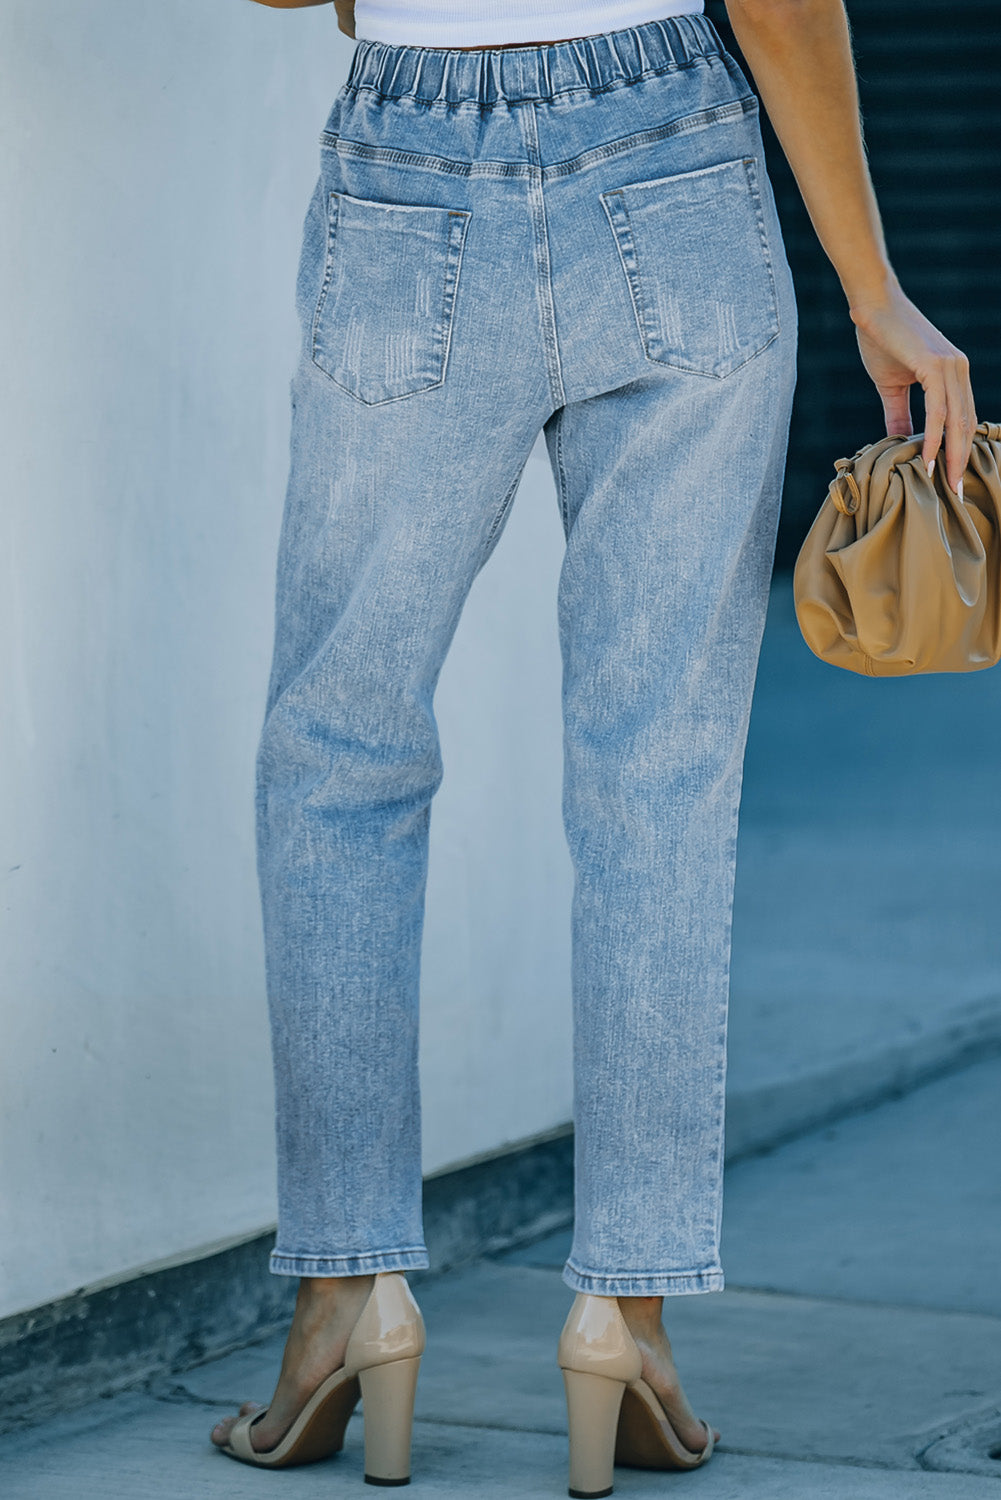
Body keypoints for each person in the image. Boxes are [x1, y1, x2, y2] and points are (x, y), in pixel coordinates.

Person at [212, 0, 977, 1491]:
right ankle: (623, 1320)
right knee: (659, 776)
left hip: (410, 162)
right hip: (671, 163)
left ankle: (343, 1304)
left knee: (338, 756)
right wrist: (872, 284)